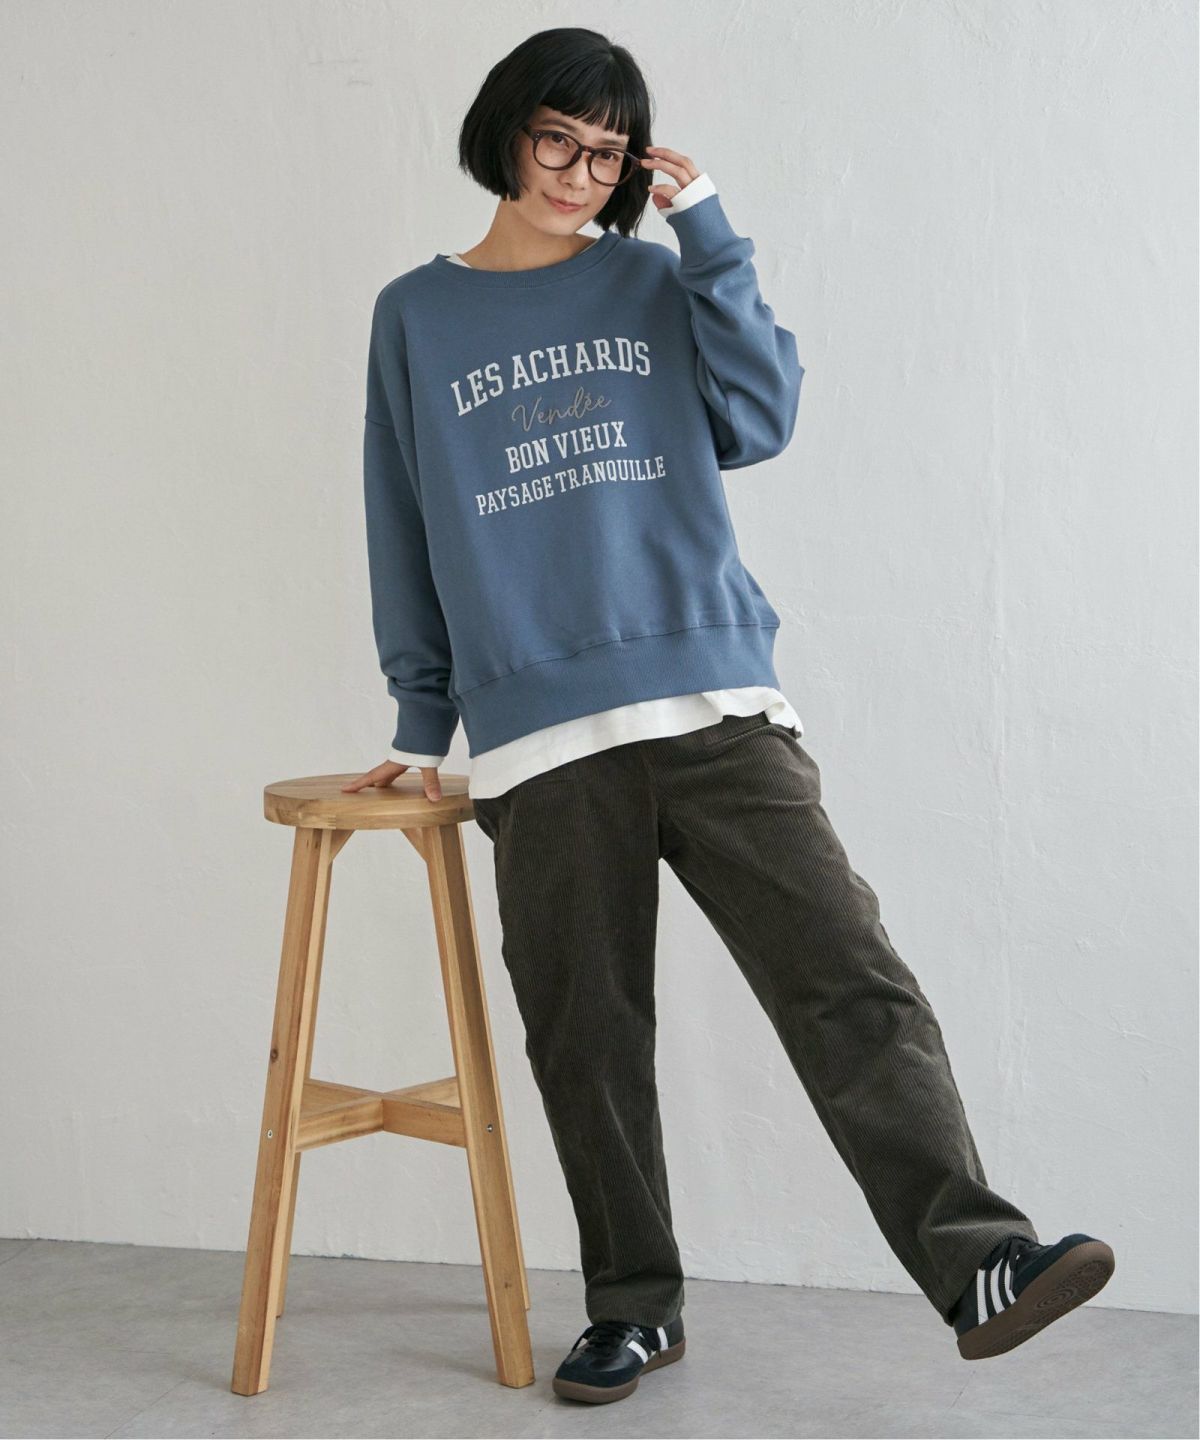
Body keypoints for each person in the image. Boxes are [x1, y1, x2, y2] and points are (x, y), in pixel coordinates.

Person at [342, 26, 1115, 1407]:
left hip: (712, 703)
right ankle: (634, 1309)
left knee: (849, 979)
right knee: (586, 1037)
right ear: (507, 129)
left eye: (608, 155)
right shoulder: (417, 314)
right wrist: (420, 717)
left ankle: (979, 1260)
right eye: (557, 139)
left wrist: (707, 231)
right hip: (541, 736)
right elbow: (400, 517)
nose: (578, 174)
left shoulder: (655, 278)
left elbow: (761, 415)